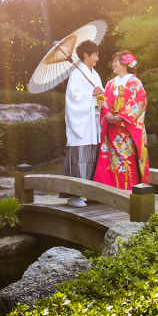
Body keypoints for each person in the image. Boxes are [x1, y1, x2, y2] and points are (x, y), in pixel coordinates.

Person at [93, 51, 149, 190]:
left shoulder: (135, 82)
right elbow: (103, 101)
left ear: (125, 63)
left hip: (127, 130)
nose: (113, 64)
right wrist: (107, 114)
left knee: (127, 161)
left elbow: (140, 102)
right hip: (112, 129)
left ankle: (128, 191)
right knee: (111, 162)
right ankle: (110, 191)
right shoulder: (110, 83)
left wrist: (121, 116)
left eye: (116, 61)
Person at [61, 40, 104, 207]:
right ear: (86, 55)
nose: (97, 58)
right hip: (82, 122)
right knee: (80, 158)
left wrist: (100, 97)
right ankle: (74, 195)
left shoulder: (95, 74)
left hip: (94, 121)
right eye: (95, 55)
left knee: (94, 157)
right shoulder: (76, 74)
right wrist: (91, 93)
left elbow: (100, 96)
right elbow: (74, 99)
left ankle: (92, 193)